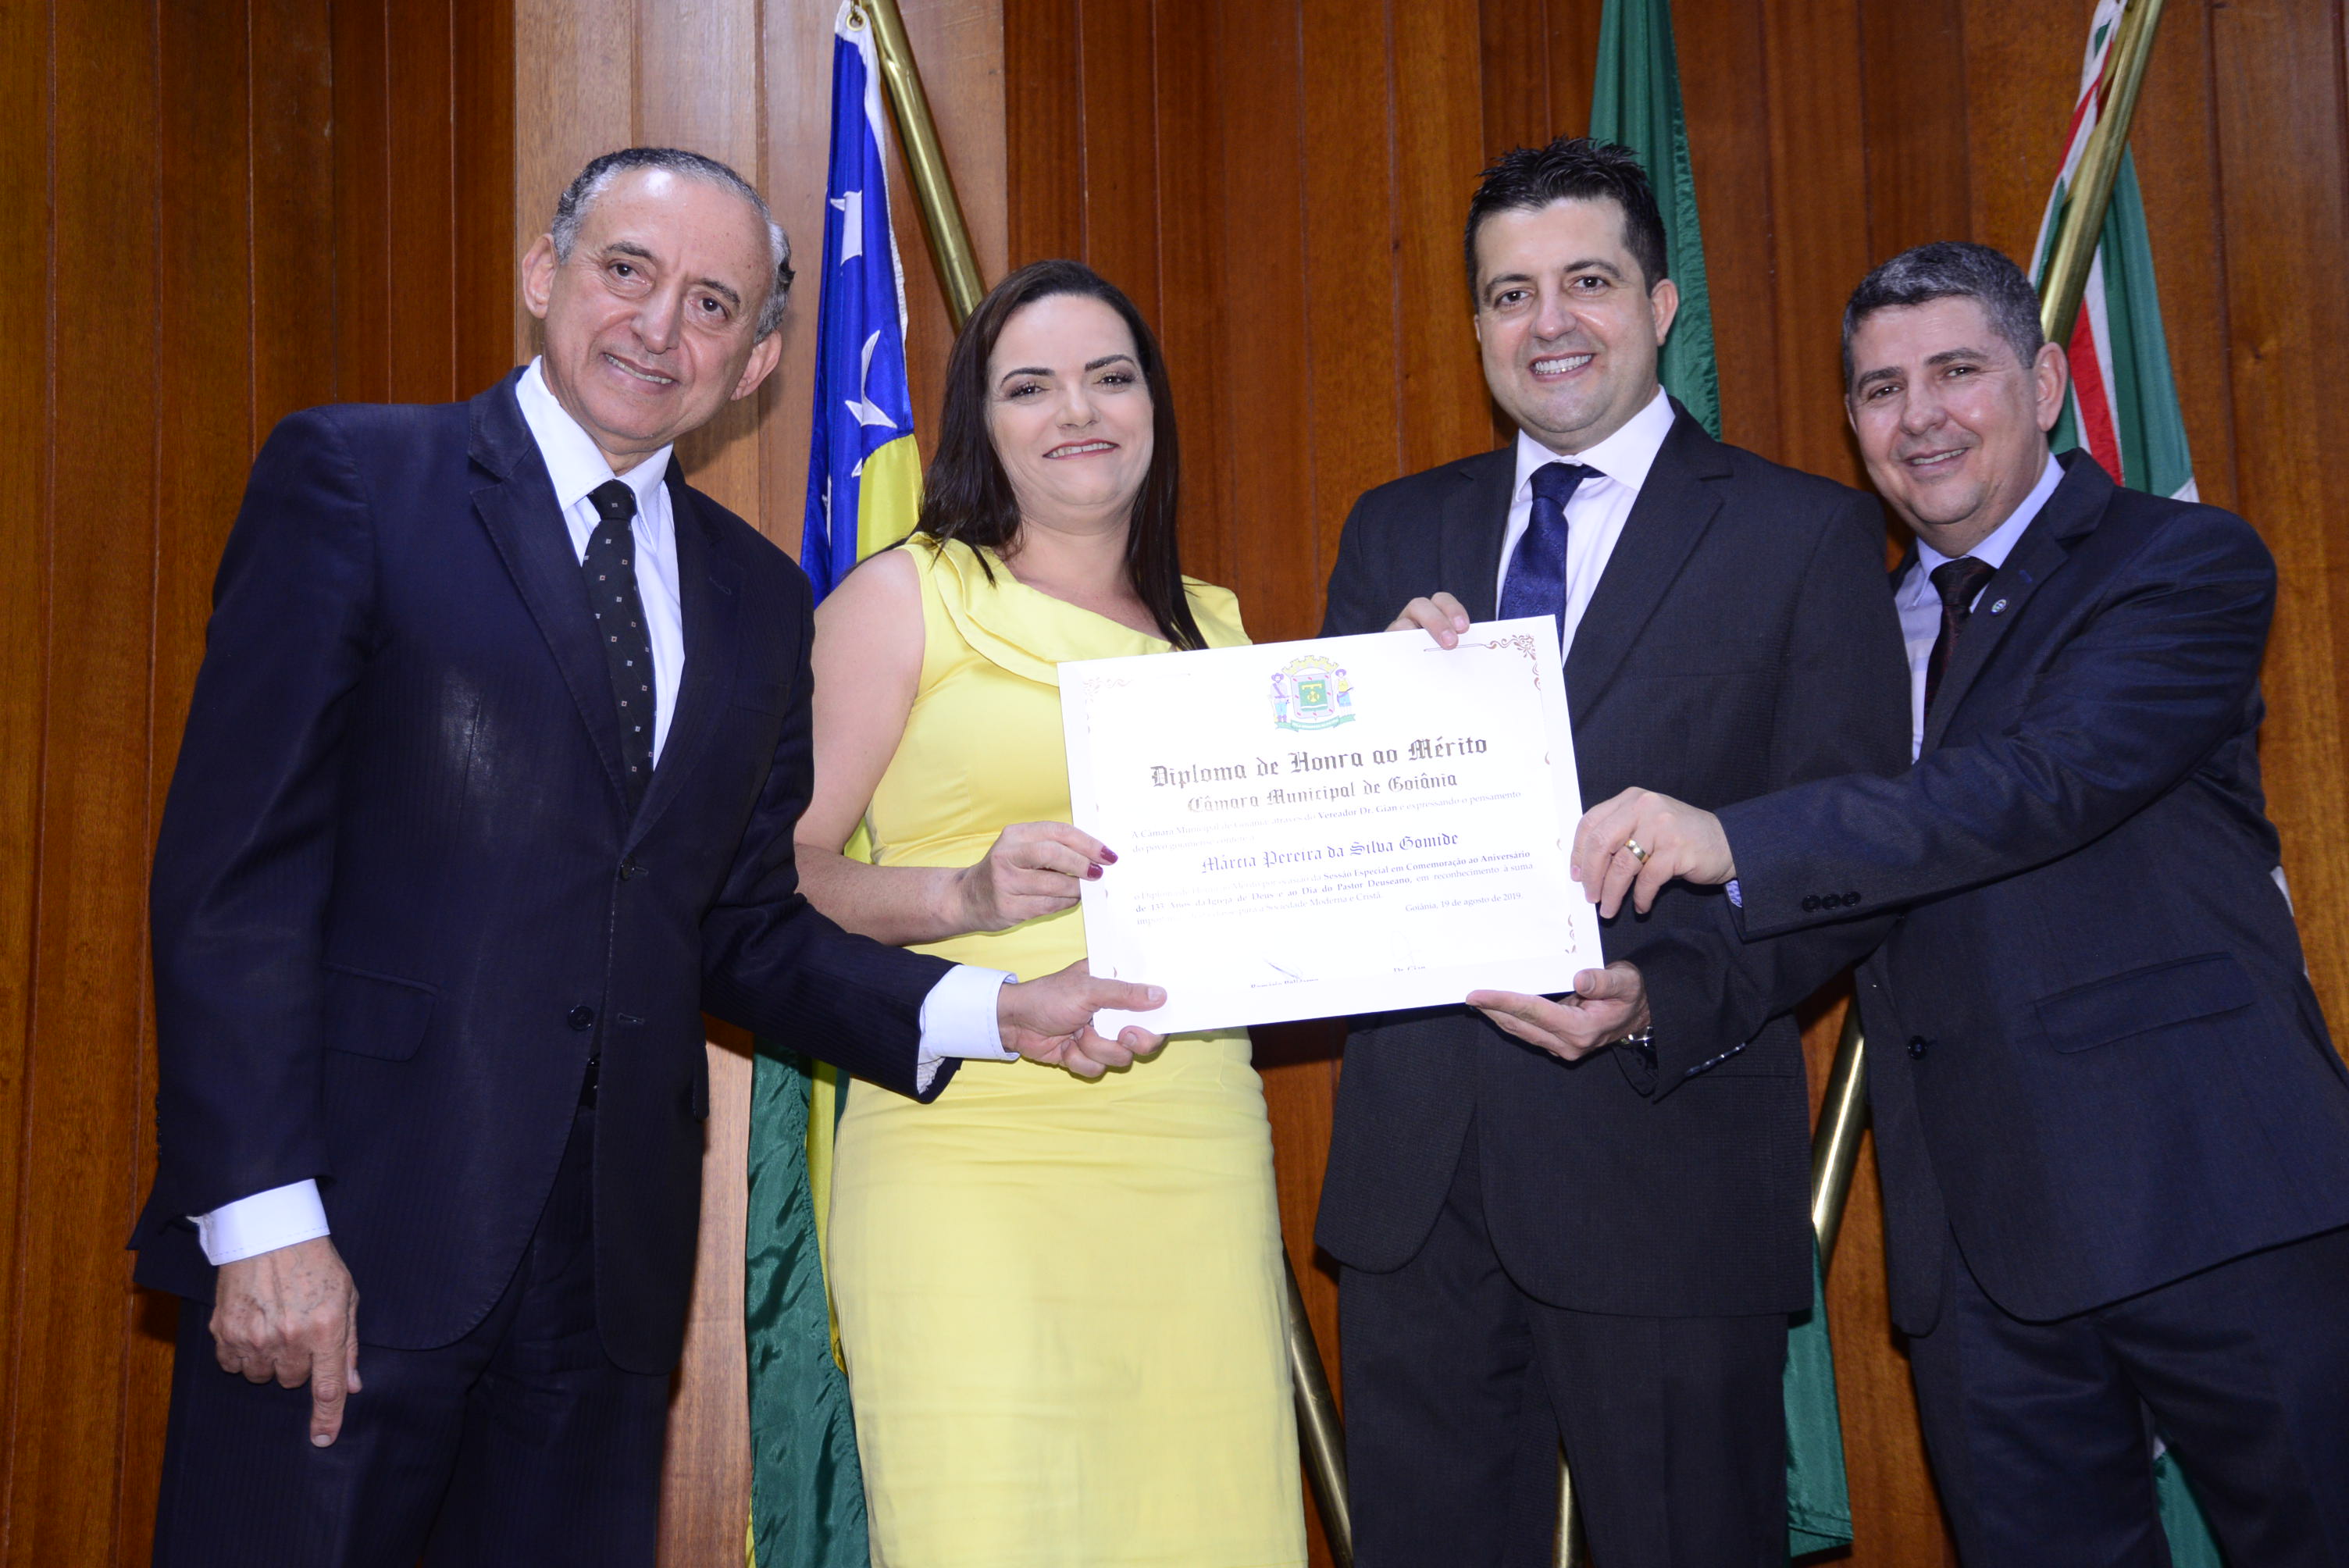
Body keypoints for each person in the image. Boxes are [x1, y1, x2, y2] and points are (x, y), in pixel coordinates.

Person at [130, 148, 1158, 1568]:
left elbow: (741, 927)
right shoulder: (359, 480)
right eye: (628, 271)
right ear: (544, 274)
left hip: (602, 1299)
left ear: (758, 363)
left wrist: (995, 1010)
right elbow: (233, 882)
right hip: (345, 1251)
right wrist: (260, 1219)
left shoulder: (758, 599)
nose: (659, 326)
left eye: (713, 304)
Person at [1575, 241, 2349, 1566]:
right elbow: (1828, 887)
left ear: (2043, 384)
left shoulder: (2180, 562)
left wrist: (1733, 834)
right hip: (1975, 1255)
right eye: (1881, 390)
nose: (1919, 417)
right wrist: (1655, 994)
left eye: (1956, 373)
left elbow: (2040, 784)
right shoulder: (1855, 630)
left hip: (2213, 1199)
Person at [1314, 137, 1910, 1567]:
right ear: (1477, 326)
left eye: (1586, 281)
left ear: (1660, 303)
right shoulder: (1393, 531)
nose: (1549, 323)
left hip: (1664, 1168)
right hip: (1418, 1187)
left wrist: (1660, 999)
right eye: (1508, 294)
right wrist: (1363, 708)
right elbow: (1331, 838)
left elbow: (1847, 854)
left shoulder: (1806, 533)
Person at [792, 259, 1306, 1568]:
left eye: (1109, 377)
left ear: (1153, 406)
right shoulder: (902, 598)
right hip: (973, 1144)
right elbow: (775, 881)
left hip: (1191, 1141)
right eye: (1031, 387)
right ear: (982, 423)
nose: (1077, 410)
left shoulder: (1221, 632)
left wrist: (1431, 680)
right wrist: (959, 896)